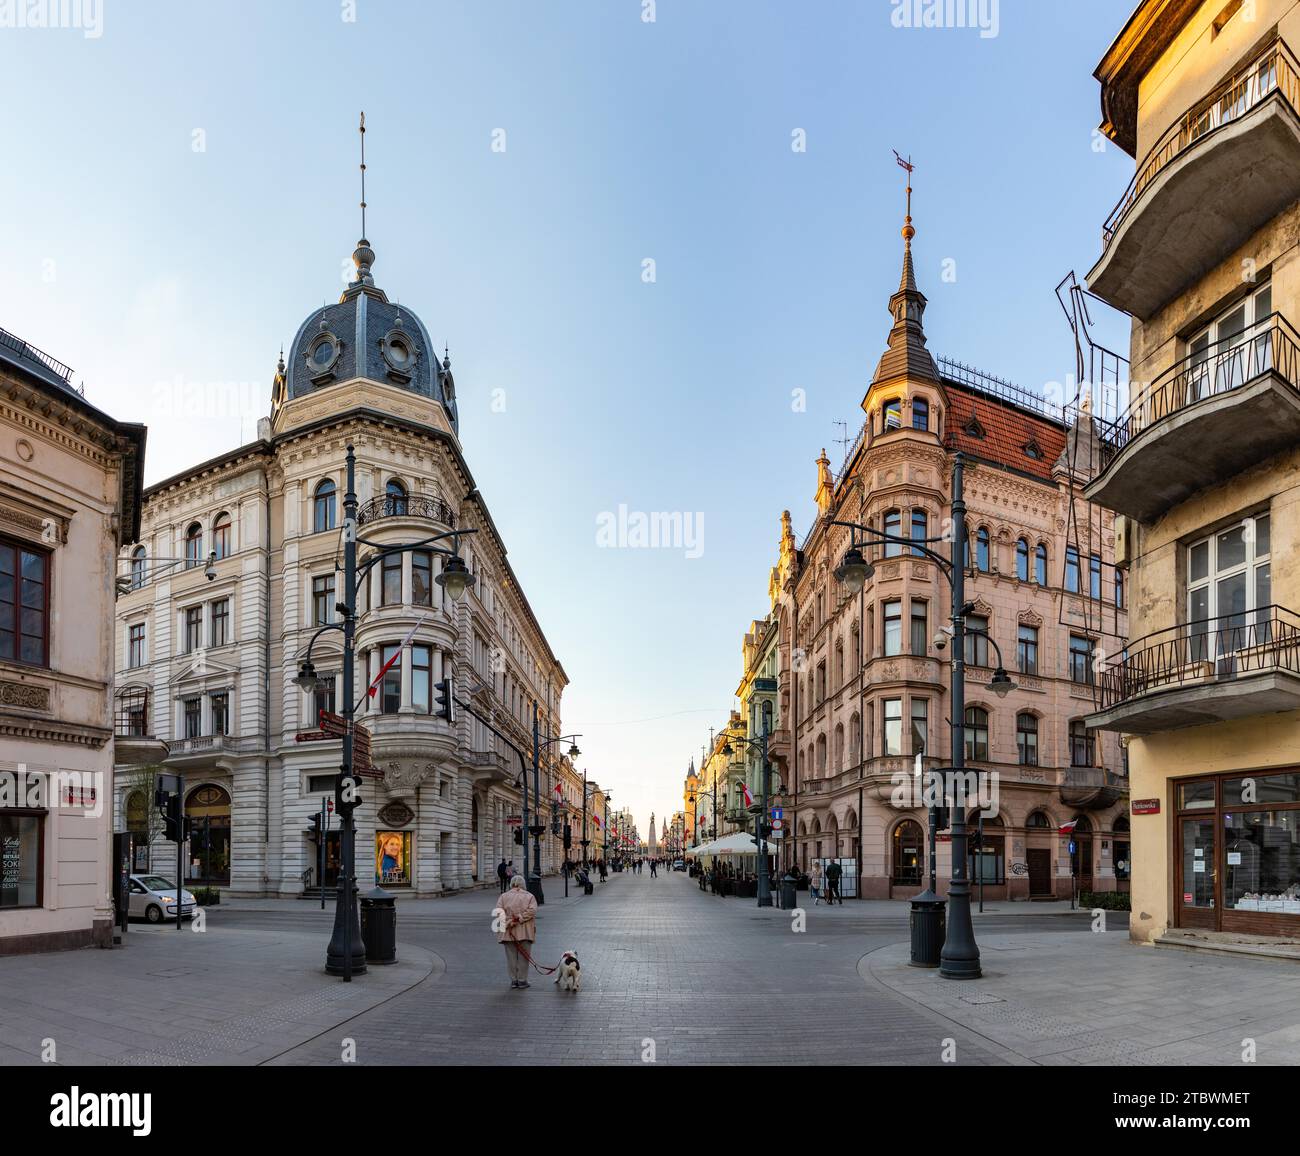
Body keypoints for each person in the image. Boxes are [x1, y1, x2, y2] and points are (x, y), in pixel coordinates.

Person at [496, 875, 538, 989]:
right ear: (523, 884)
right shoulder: (530, 896)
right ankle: (522, 980)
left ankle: (514, 980)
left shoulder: (503, 896)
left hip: (509, 931)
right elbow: (532, 911)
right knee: (524, 957)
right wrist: (520, 917)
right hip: (525, 931)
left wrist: (509, 921)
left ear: (511, 884)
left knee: (511, 958)